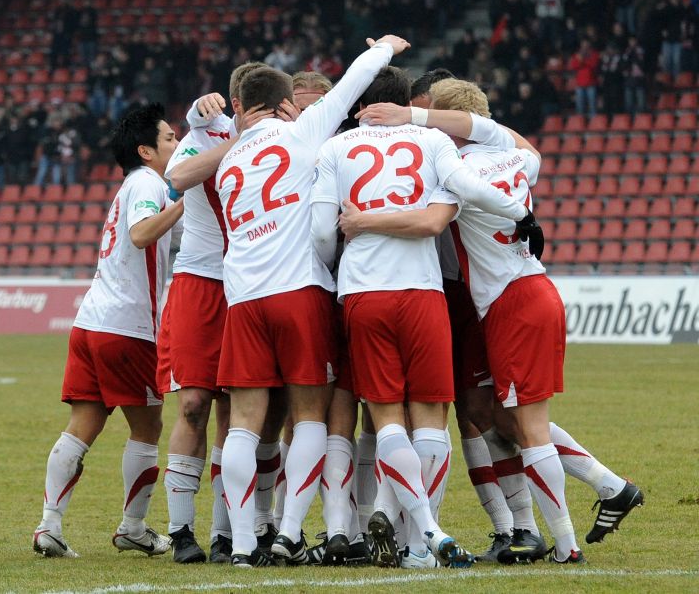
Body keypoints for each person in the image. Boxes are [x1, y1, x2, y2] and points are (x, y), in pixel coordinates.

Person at [345, 80, 644, 564]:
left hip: (506, 303)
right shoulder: (520, 159)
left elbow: (434, 217)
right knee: (508, 420)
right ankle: (604, 490)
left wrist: (362, 221)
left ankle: (563, 544)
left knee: (526, 427)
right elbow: (514, 142)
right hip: (536, 290)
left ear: (446, 122)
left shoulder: (455, 168)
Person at [312, 67, 542, 569]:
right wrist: (520, 213)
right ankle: (421, 544)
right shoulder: (432, 141)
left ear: (363, 104)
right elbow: (464, 190)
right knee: (433, 415)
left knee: (385, 414)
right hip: (423, 292)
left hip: (362, 292)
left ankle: (418, 530)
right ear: (406, 101)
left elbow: (322, 234)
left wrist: (343, 249)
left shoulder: (336, 148)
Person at [214, 36, 409, 568]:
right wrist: (384, 48)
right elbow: (349, 87)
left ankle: (244, 543)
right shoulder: (301, 132)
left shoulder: (228, 161)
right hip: (298, 289)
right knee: (309, 418)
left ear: (241, 106)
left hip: (243, 299)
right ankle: (291, 532)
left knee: (242, 424)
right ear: (283, 104)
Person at [32, 104, 184, 559]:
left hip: (90, 322)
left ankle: (49, 526)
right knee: (149, 426)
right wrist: (181, 206)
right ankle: (133, 527)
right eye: (170, 138)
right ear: (146, 150)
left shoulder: (132, 184)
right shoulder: (148, 183)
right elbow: (140, 235)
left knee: (83, 424)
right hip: (128, 328)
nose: (177, 145)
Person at [155, 62, 268, 565]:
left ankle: (226, 533)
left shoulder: (282, 138)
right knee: (194, 404)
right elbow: (176, 179)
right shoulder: (206, 132)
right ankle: (181, 531)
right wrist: (223, 134)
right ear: (233, 103)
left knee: (235, 412)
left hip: (250, 284)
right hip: (201, 280)